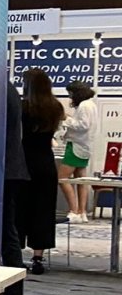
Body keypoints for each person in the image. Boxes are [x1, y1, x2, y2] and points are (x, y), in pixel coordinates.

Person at [20, 68, 63, 275]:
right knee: (43, 211)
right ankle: (38, 258)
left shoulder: (23, 107)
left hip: (24, 163)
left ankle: (15, 255)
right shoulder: (55, 107)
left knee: (20, 210)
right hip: (46, 163)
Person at [0, 79, 29, 295]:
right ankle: (13, 292)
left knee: (6, 231)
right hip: (10, 168)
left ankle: (13, 291)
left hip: (2, 169)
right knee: (8, 231)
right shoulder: (6, 87)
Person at [57, 80, 99, 223]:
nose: (70, 97)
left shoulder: (84, 105)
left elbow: (82, 125)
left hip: (76, 146)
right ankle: (82, 212)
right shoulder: (91, 104)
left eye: (71, 94)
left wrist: (66, 119)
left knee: (62, 178)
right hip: (85, 145)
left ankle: (73, 210)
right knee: (81, 180)